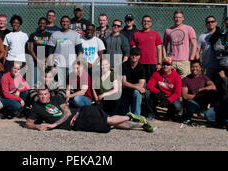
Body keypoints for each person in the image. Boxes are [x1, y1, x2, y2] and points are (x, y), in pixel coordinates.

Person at [25, 88, 156, 133]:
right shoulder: (36, 107)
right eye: (41, 94)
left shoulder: (56, 99)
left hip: (81, 114)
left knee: (109, 120)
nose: (43, 97)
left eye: (45, 94)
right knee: (111, 123)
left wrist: (53, 125)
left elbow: (68, 112)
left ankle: (129, 116)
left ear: (49, 93)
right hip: (78, 124)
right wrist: (37, 126)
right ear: (38, 94)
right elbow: (28, 123)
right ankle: (142, 125)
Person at [47, 16, 83, 81]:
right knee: (60, 87)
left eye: (67, 22)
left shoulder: (75, 35)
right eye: (63, 21)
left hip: (71, 65)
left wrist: (78, 64)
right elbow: (50, 52)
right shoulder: (55, 34)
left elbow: (80, 50)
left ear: (70, 23)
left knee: (71, 86)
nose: (65, 23)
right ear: (60, 23)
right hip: (58, 65)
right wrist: (52, 66)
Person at [163, 10, 197, 78]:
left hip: (184, 61)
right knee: (171, 81)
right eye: (176, 17)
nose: (177, 19)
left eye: (179, 17)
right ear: (173, 18)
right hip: (171, 61)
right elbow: (164, 45)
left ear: (183, 18)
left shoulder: (189, 28)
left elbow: (194, 44)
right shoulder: (168, 30)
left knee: (185, 81)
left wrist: (192, 57)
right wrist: (165, 57)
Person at [181, 60, 217, 124]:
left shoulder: (204, 77)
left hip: (203, 100)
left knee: (214, 92)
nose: (194, 69)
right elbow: (185, 95)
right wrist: (197, 96)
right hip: (192, 100)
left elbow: (213, 86)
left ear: (200, 68)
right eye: (192, 67)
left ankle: (212, 114)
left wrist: (200, 90)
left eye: (197, 67)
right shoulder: (185, 79)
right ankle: (188, 117)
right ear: (190, 68)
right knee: (190, 103)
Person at [130, 15, 163, 81]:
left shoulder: (155, 34)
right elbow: (133, 51)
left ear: (151, 23)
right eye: (144, 21)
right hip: (139, 63)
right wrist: (134, 62)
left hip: (152, 64)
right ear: (142, 23)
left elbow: (159, 50)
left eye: (148, 21)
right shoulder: (136, 34)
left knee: (151, 85)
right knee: (138, 84)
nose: (146, 23)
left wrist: (159, 63)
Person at [119, 48, 146, 116]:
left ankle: (137, 116)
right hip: (124, 90)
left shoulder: (141, 68)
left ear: (139, 56)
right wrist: (136, 86)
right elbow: (124, 82)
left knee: (137, 92)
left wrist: (135, 87)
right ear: (129, 55)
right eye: (132, 54)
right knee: (125, 114)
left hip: (134, 90)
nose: (134, 56)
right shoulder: (124, 65)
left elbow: (141, 85)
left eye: (136, 55)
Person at [28, 17, 52, 84]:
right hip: (36, 62)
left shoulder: (49, 35)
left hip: (46, 63)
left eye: (44, 23)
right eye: (40, 23)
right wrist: (38, 60)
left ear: (46, 24)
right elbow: (30, 49)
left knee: (46, 82)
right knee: (35, 81)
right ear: (38, 24)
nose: (42, 25)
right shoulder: (33, 35)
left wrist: (45, 59)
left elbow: (51, 49)